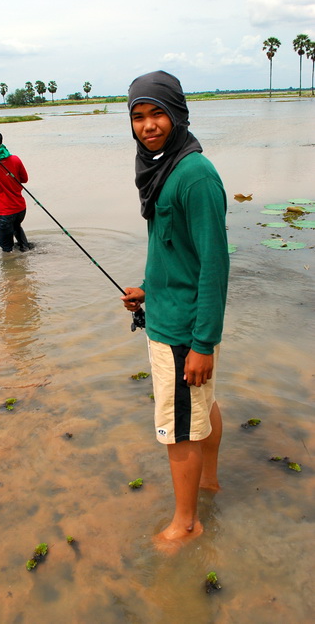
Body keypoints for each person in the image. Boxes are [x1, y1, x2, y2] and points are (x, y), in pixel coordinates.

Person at [121, 71, 229, 550]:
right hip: (168, 311)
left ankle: (186, 524)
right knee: (202, 407)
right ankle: (207, 483)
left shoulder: (194, 175)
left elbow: (214, 266)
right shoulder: (163, 169)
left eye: (157, 113)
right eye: (139, 117)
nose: (148, 126)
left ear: (178, 114)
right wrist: (147, 288)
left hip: (184, 330)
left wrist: (202, 345)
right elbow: (173, 248)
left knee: (178, 429)